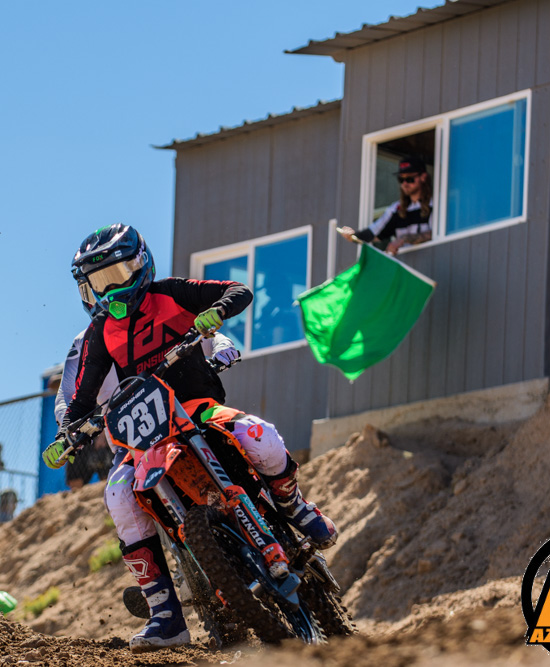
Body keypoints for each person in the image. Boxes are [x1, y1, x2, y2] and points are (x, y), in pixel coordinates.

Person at [44, 224, 337, 654]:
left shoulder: (170, 293)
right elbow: (80, 394)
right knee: (118, 496)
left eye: (117, 275)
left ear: (140, 264)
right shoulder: (98, 334)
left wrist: (216, 315)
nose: (109, 290)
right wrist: (68, 431)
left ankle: (294, 505)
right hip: (140, 439)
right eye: (98, 283)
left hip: (195, 407)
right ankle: (164, 613)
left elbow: (237, 291)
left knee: (258, 434)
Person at [54, 287, 240, 491]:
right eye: (97, 288)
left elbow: (209, 337)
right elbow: (65, 396)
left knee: (246, 438)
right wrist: (72, 431)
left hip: (185, 412)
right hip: (128, 442)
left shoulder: (154, 315)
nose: (109, 296)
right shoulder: (82, 342)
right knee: (118, 496)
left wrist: (223, 348)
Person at [338, 156, 433, 255]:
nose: (404, 184)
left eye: (409, 179)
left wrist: (403, 239)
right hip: (403, 262)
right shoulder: (396, 209)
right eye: (401, 179)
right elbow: (373, 234)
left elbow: (435, 234)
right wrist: (353, 235)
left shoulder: (435, 204)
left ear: (423, 177)